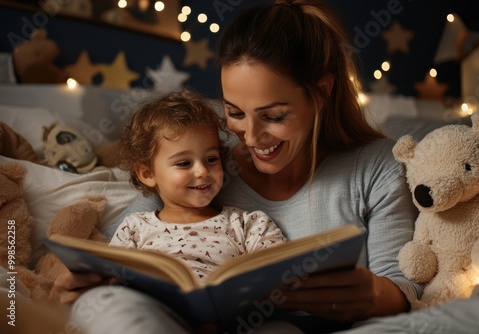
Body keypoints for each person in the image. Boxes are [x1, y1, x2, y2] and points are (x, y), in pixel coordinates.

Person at [52, 0, 423, 333]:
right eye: (234, 113)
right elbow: (132, 243)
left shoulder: (377, 166)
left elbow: (407, 284)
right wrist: (84, 288)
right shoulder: (211, 162)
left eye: (274, 116)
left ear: (322, 93)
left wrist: (376, 295)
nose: (250, 136)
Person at [109, 88, 287, 284]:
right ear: (147, 174)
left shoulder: (247, 225)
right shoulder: (134, 228)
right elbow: (111, 282)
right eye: (184, 163)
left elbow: (279, 273)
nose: (202, 171)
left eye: (211, 159)